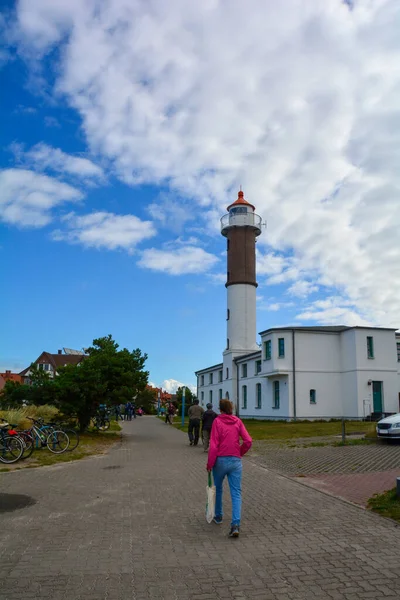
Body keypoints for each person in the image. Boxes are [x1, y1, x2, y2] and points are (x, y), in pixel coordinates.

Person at [206, 399, 252, 538]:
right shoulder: (238, 421)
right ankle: (235, 524)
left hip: (220, 461)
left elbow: (213, 445)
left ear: (220, 409)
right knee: (236, 492)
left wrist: (209, 464)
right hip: (235, 461)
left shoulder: (217, 422)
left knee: (218, 489)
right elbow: (248, 441)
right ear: (231, 409)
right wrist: (240, 452)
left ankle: (219, 516)